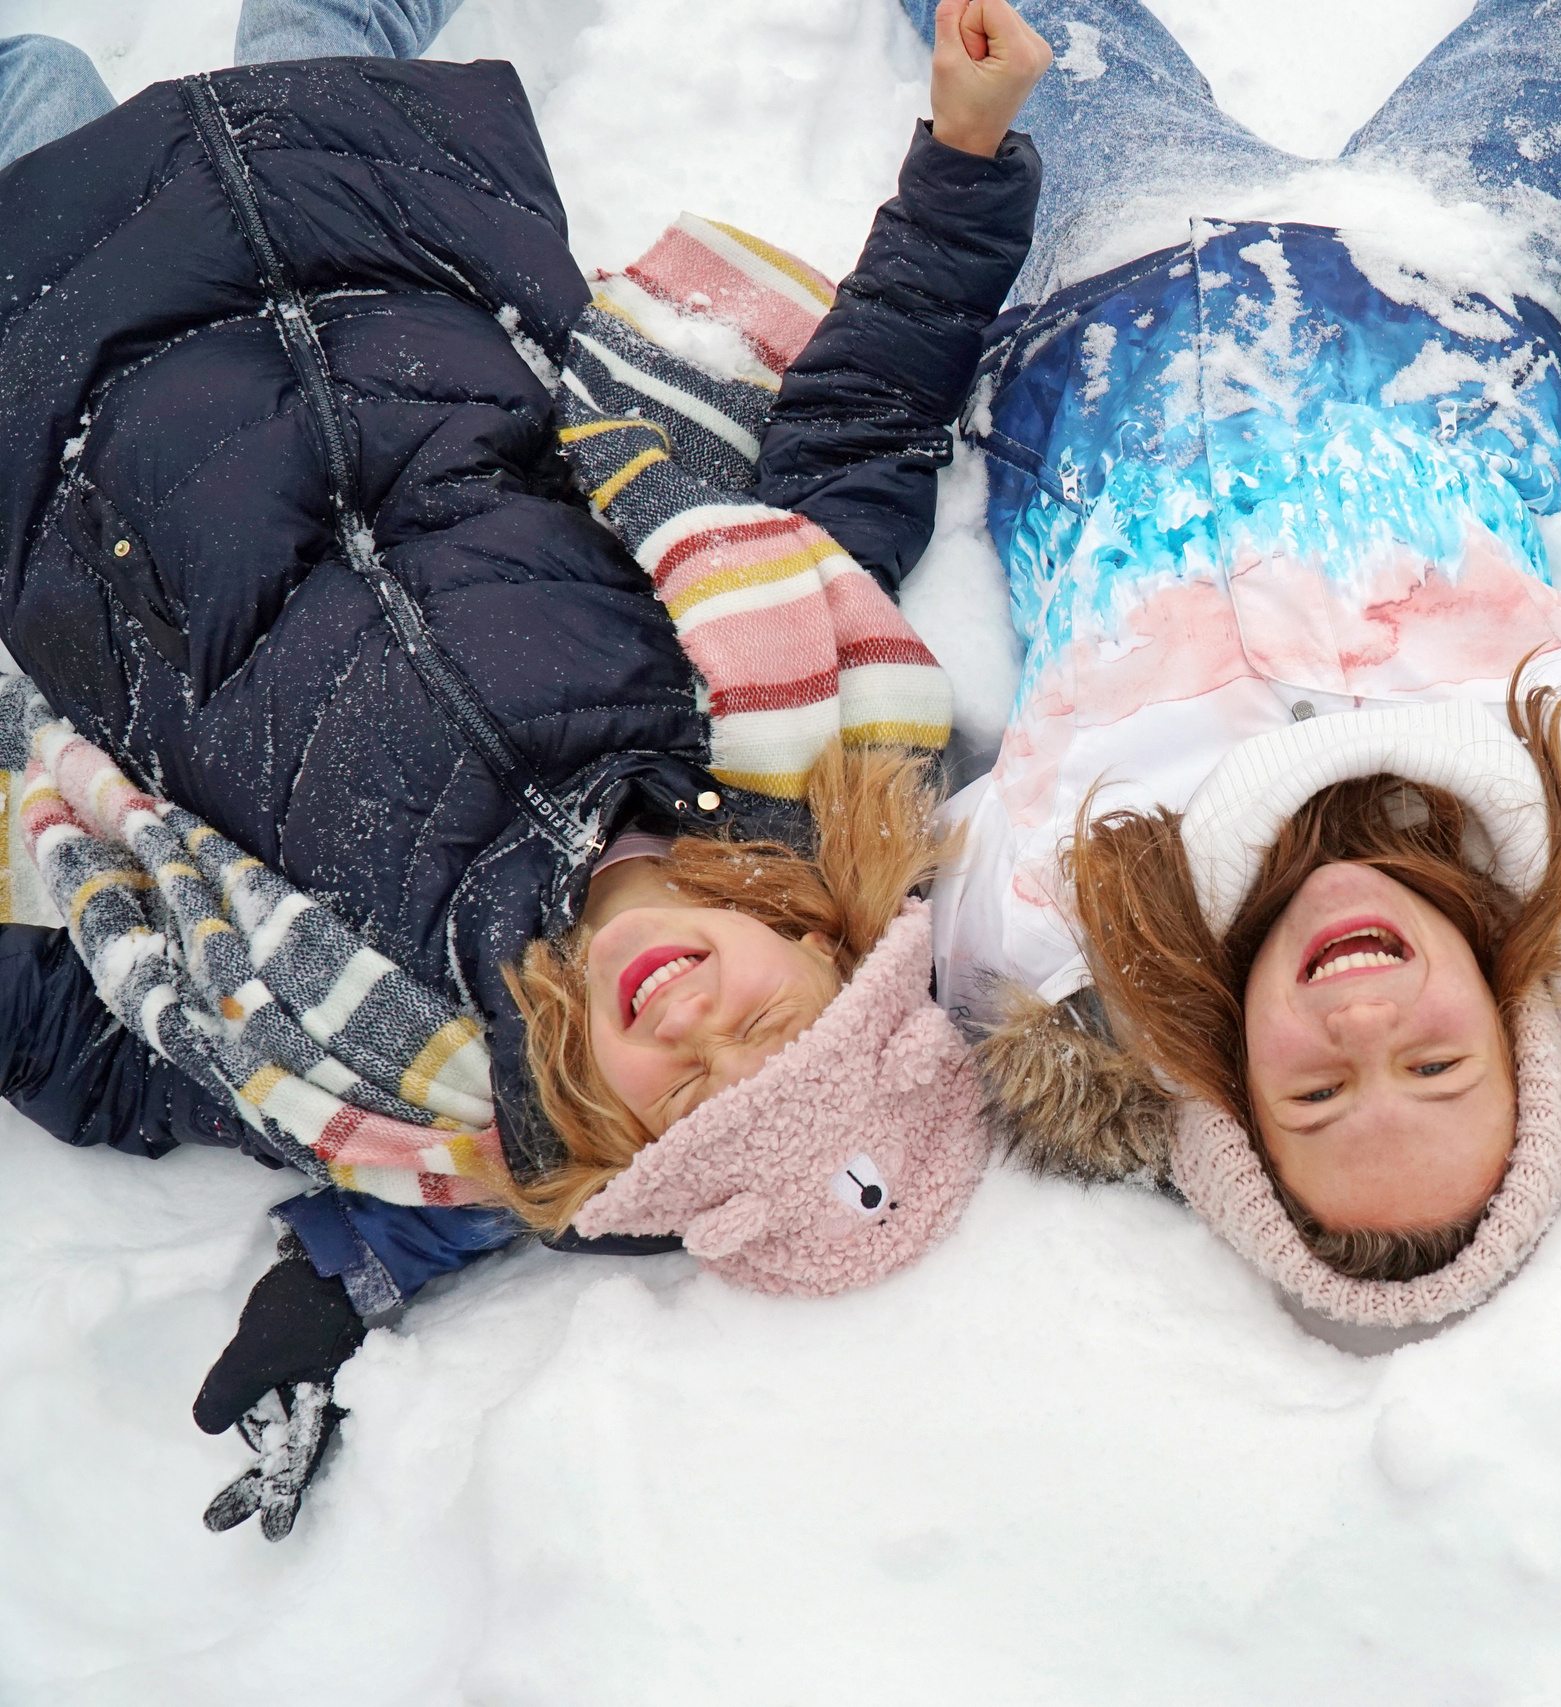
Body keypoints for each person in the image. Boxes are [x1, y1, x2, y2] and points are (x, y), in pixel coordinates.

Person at [0, 0, 1045, 1532]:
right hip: (365, 227)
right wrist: (964, 153)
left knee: (29, 90)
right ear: (815, 931)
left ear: (605, 1137)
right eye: (767, 1024)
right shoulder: (771, 706)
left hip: (68, 367)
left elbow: (105, 1047)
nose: (694, 1020)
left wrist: (331, 1285)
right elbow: (862, 421)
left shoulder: (390, 1050)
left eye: (682, 1098)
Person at [922, 0, 1561, 1337]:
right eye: (1434, 1063)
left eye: (1315, 1095)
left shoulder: (1062, 915)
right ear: (1512, 1025)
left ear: (1229, 1076)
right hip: (1448, 279)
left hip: (1118, 286)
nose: (1365, 1021)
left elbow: (862, 901)